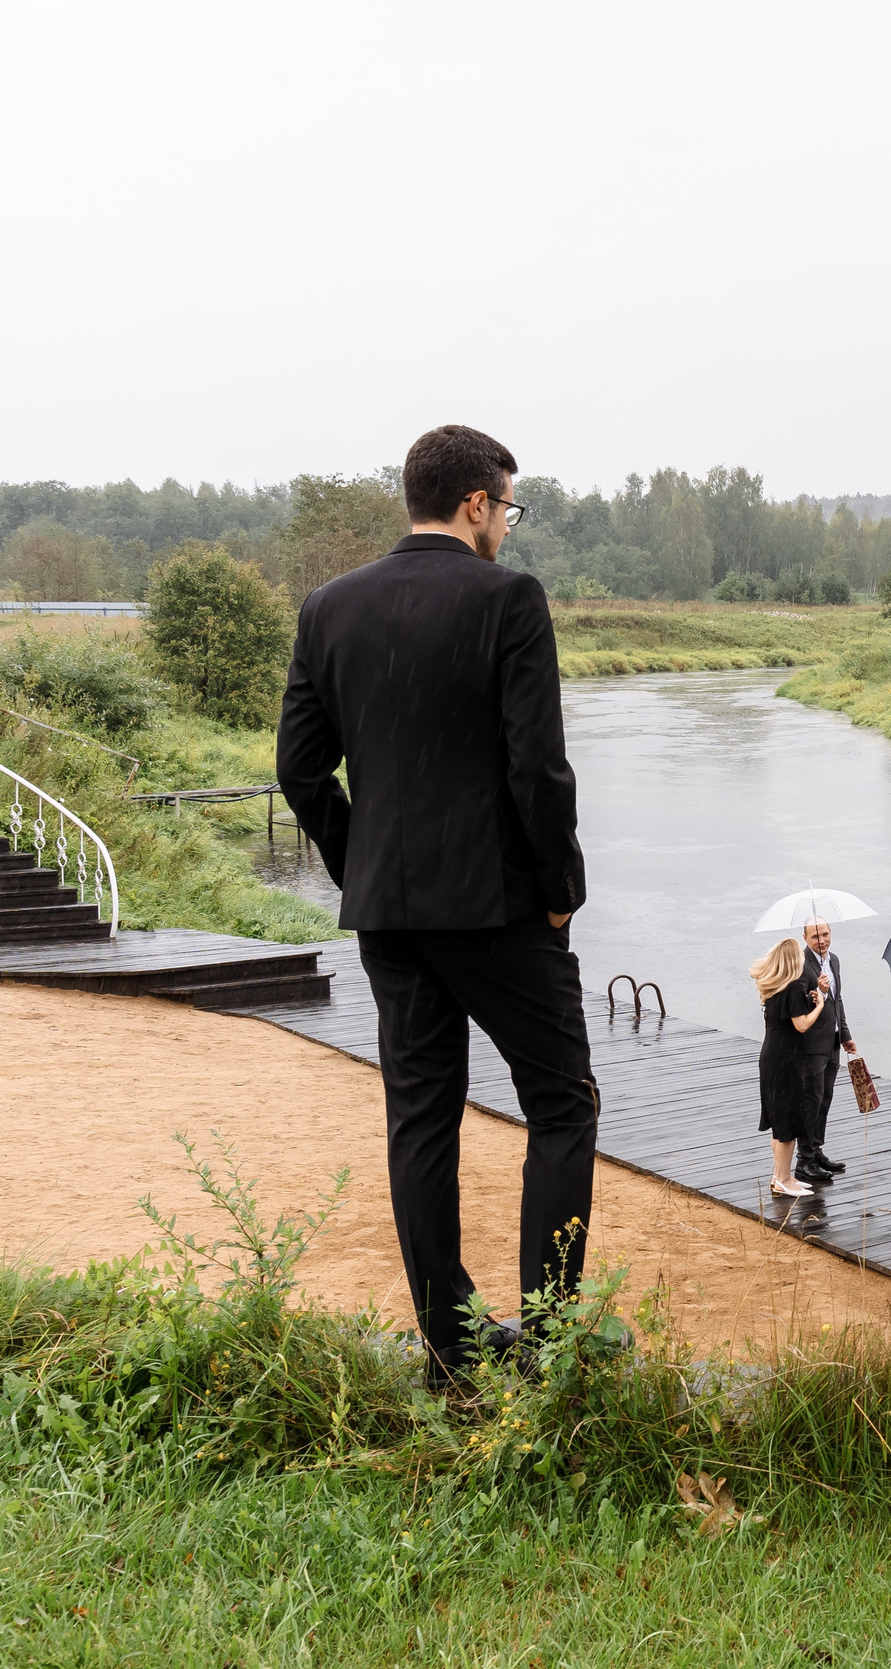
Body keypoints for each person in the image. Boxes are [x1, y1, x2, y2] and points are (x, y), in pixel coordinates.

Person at [277, 423, 594, 1389]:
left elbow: (299, 770)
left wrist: (361, 861)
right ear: (475, 504)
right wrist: (560, 897)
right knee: (562, 1106)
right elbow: (536, 770)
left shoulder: (330, 607)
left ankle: (451, 1352)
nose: (508, 523)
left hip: (391, 918)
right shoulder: (509, 600)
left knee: (421, 1119)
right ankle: (543, 1345)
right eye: (509, 505)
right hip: (499, 908)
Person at [753, 938, 824, 1199]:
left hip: (772, 1055)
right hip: (785, 1059)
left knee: (778, 1119)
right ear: (795, 960)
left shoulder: (775, 987)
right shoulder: (793, 987)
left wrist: (809, 997)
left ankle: (780, 1176)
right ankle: (783, 1178)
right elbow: (802, 1025)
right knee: (788, 1122)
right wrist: (819, 1006)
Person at [792, 917, 858, 1182]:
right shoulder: (800, 964)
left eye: (825, 934)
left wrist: (845, 1034)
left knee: (825, 1097)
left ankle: (816, 1150)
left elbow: (837, 1000)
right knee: (811, 1099)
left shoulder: (834, 960)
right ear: (805, 938)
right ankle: (803, 1160)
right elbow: (797, 1005)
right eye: (815, 936)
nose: (822, 940)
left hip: (831, 1042)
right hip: (810, 1044)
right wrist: (816, 990)